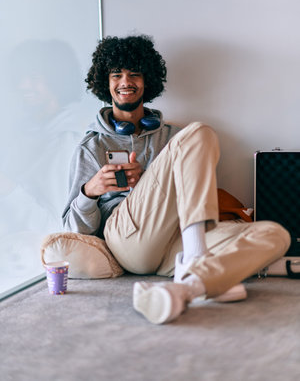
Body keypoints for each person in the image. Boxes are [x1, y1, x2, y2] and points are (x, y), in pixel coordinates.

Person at [62, 35, 290, 325]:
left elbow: (196, 195)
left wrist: (155, 183)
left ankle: (188, 286)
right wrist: (90, 192)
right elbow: (71, 229)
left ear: (148, 80)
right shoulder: (90, 147)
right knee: (200, 132)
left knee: (276, 235)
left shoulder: (173, 137)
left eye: (135, 73)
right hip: (127, 239)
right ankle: (198, 259)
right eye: (116, 74)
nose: (125, 81)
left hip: (174, 242)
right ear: (105, 83)